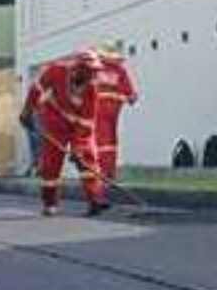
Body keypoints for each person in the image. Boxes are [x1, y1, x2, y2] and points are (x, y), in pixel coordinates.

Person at [20, 51, 106, 217]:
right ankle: (50, 204)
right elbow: (36, 88)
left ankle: (95, 200)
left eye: (95, 71)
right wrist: (27, 111)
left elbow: (87, 123)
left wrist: (79, 148)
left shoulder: (92, 89)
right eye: (90, 70)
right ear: (78, 68)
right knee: (51, 166)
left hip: (78, 128)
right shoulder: (57, 70)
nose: (93, 74)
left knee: (88, 159)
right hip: (54, 121)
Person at [91, 44, 138, 184]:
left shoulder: (95, 70)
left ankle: (104, 173)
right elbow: (131, 94)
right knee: (110, 141)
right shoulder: (119, 70)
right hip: (114, 110)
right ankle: (109, 172)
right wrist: (131, 97)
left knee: (103, 141)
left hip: (99, 110)